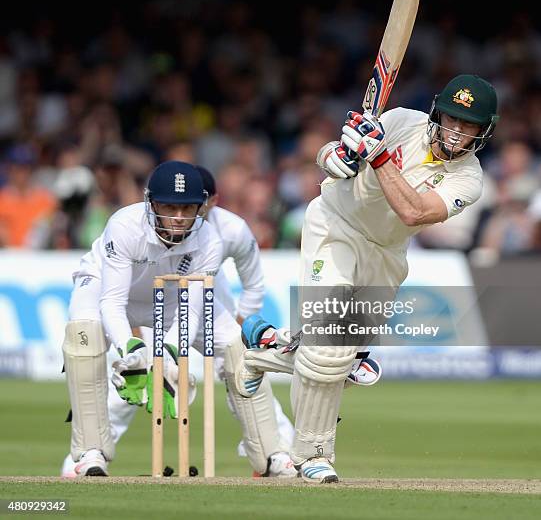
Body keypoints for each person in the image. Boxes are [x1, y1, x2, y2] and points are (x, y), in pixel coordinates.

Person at [235, 74, 499, 483]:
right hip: (335, 226)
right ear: (436, 113)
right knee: (330, 349)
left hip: (387, 253)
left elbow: (414, 213)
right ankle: (313, 455)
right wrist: (334, 157)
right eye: (451, 119)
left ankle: (265, 352)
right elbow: (331, 152)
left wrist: (377, 159)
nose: (456, 132)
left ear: (482, 133)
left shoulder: (470, 179)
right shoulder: (400, 121)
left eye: (468, 127)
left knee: (349, 364)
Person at [61, 160, 295, 477]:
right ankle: (90, 452)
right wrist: (130, 348)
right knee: (83, 335)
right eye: (170, 207)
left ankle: (271, 454)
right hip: (105, 287)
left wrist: (168, 355)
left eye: (188, 209)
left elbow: (193, 308)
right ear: (151, 203)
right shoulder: (125, 225)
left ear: (201, 207)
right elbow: (113, 301)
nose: (179, 218)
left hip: (174, 298)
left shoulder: (210, 238)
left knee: (237, 347)